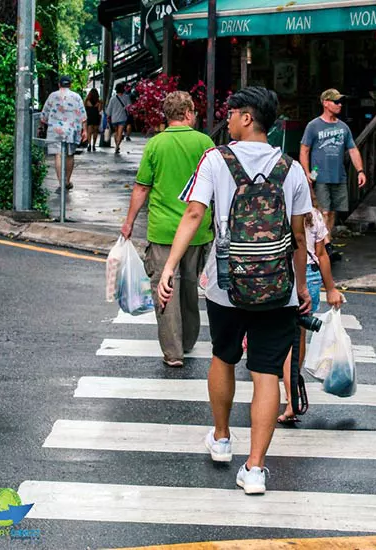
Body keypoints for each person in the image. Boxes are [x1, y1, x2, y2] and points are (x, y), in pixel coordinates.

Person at [157, 86, 312, 495]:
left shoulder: (216, 160)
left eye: (230, 113)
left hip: (227, 284)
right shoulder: (291, 168)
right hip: (278, 289)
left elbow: (194, 213)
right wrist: (301, 286)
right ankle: (256, 469)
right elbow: (298, 236)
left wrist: (169, 268)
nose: (226, 120)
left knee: (224, 357)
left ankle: (222, 438)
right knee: (265, 375)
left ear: (247, 117)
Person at [121, 91, 214, 368]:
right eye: (194, 111)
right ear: (187, 113)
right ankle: (187, 340)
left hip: (163, 232)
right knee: (188, 286)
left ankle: (174, 352)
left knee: (165, 288)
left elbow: (141, 188)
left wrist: (128, 222)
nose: (195, 116)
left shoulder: (155, 144)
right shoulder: (205, 143)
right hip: (196, 230)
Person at [278, 204, 344, 424]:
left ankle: (291, 400)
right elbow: (322, 254)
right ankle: (292, 394)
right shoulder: (313, 215)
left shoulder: (274, 209)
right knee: (299, 338)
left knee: (286, 341)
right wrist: (331, 288)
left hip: (282, 275)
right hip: (311, 277)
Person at [300, 88, 366, 241]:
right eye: (336, 102)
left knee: (334, 211)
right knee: (324, 211)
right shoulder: (313, 126)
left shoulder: (343, 127)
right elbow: (304, 150)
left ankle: (327, 241)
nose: (340, 105)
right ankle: (324, 244)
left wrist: (360, 171)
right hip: (319, 174)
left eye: (340, 102)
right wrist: (307, 172)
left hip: (338, 174)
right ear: (325, 103)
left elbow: (353, 149)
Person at [40, 75, 87, 193]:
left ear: (59, 84)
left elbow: (44, 114)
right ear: (70, 84)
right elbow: (82, 115)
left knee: (58, 154)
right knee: (70, 155)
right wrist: (84, 130)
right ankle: (67, 181)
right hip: (71, 130)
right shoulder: (76, 97)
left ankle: (61, 182)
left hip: (55, 130)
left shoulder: (52, 96)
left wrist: (41, 126)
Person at [106, 83, 131, 154]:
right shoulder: (126, 97)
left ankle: (116, 145)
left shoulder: (112, 98)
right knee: (120, 133)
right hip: (122, 118)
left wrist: (108, 116)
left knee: (115, 132)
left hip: (114, 119)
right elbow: (129, 107)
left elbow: (109, 110)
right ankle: (117, 146)